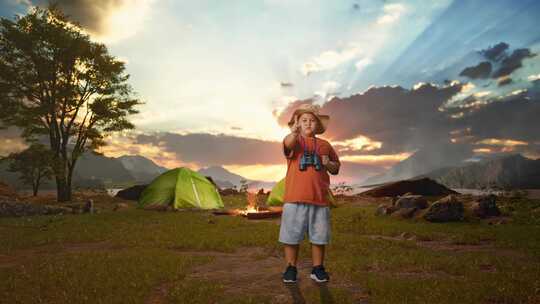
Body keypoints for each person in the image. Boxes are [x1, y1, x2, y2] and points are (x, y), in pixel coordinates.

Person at [279, 103, 340, 283]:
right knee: (291, 235)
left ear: (317, 125)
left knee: (319, 237)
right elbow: (288, 144)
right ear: (297, 123)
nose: (308, 123)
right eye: (304, 120)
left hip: (319, 198)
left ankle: (317, 268)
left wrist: (328, 163)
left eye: (312, 121)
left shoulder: (325, 145)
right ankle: (291, 267)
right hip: (294, 197)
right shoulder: (294, 141)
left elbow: (336, 168)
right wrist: (294, 133)